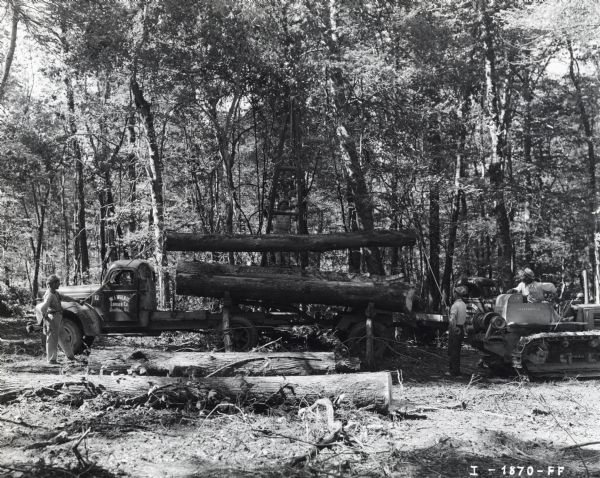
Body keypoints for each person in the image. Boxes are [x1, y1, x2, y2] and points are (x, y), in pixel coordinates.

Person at [35, 274, 77, 364]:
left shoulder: (55, 293)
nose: (59, 284)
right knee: (52, 340)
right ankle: (51, 360)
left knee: (64, 337)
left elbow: (66, 297)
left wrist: (77, 300)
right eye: (58, 282)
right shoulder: (50, 295)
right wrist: (47, 319)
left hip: (58, 318)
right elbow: (43, 308)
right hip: (53, 318)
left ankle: (70, 356)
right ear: (53, 284)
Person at [448, 285, 468, 376]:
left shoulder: (455, 305)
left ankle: (453, 372)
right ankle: (456, 370)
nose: (453, 294)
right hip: (461, 329)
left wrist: (454, 328)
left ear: (456, 294)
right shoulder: (463, 305)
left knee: (453, 350)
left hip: (455, 329)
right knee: (457, 350)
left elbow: (452, 319)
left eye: (454, 292)